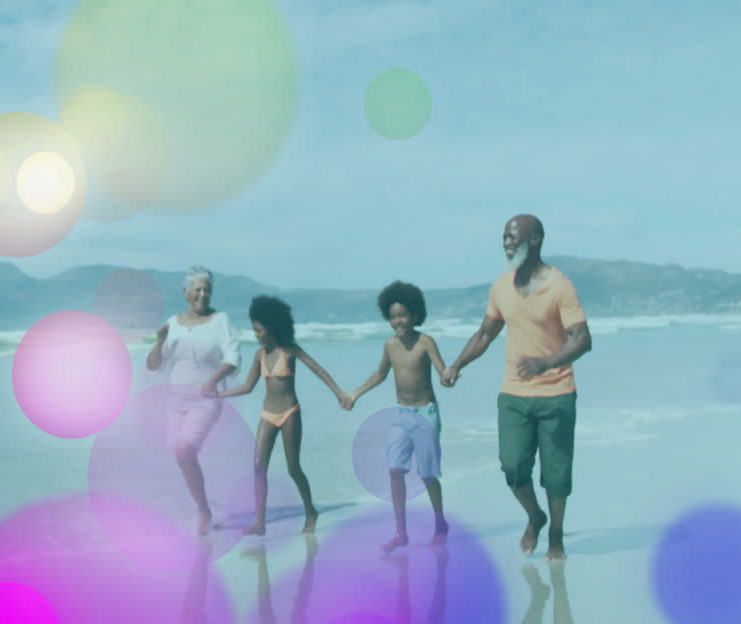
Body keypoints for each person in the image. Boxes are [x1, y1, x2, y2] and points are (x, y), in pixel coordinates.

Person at [442, 214, 593, 562]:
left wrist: (545, 362)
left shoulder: (559, 285)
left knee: (556, 473)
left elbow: (582, 339)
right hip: (514, 396)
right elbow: (485, 334)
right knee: (512, 466)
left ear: (535, 239)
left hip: (556, 394)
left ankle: (555, 535)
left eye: (513, 237)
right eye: (504, 238)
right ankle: (535, 516)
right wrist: (456, 365)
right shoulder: (501, 286)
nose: (507, 243)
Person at [214, 295, 351, 535]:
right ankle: (259, 522)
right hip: (268, 414)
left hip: (290, 413)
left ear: (271, 327)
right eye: (254, 330)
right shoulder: (259, 355)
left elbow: (318, 370)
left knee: (293, 468)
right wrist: (219, 395)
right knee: (258, 466)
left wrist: (339, 393)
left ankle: (311, 511)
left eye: (258, 330)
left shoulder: (289, 351)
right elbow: (248, 386)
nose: (256, 334)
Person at [345, 281, 452, 552]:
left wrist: (448, 376)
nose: (398, 321)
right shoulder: (390, 345)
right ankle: (400, 533)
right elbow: (380, 375)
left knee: (428, 475)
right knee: (395, 470)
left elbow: (442, 371)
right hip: (401, 414)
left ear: (415, 314)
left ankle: (441, 524)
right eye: (393, 316)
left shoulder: (425, 342)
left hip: (426, 414)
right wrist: (356, 393)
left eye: (403, 315)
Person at [146, 265, 241, 535]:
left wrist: (213, 379)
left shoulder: (220, 320)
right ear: (186, 292)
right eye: (197, 289)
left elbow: (233, 357)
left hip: (206, 399)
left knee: (184, 450)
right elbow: (154, 366)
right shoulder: (173, 324)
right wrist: (159, 341)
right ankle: (204, 505)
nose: (202, 294)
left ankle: (202, 511)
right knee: (181, 454)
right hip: (176, 401)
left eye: (207, 290)